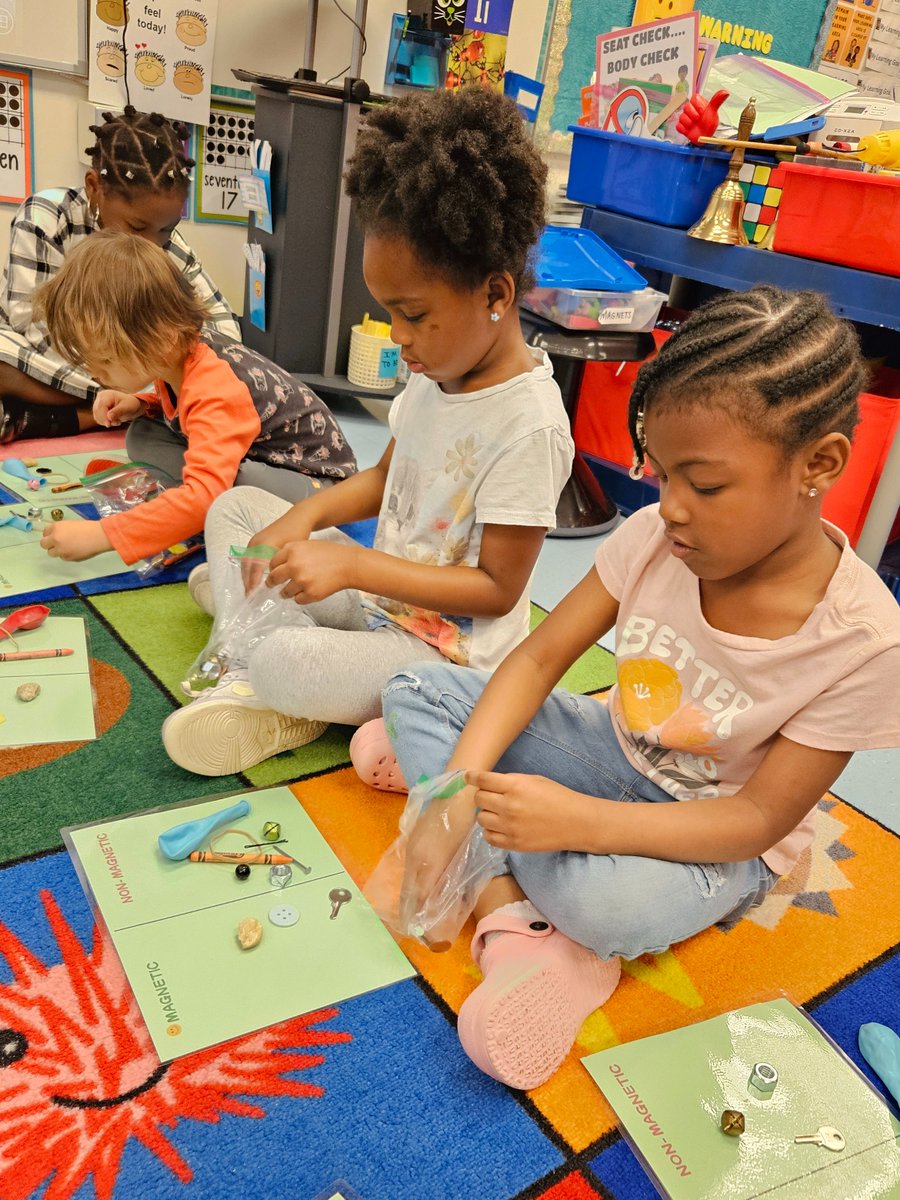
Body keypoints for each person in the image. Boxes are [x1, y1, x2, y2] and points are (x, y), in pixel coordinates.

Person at [379, 286, 900, 1091]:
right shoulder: (652, 537)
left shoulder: (863, 640)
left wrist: (568, 819)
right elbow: (537, 659)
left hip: (715, 837)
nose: (672, 509)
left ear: (819, 465)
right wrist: (456, 787)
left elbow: (756, 820)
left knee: (610, 910)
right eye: (661, 476)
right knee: (417, 688)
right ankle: (516, 916)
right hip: (616, 754)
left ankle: (520, 906)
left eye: (706, 485)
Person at [160, 86, 574, 778]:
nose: (398, 339)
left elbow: (498, 590)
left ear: (496, 296)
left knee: (284, 656)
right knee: (238, 511)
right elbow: (387, 480)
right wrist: (308, 516)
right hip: (378, 606)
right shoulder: (436, 369)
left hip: (443, 657)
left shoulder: (530, 425)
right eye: (388, 312)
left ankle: (263, 670)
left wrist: (349, 565)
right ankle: (256, 637)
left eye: (412, 314)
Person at [35, 230, 357, 566]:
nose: (93, 371)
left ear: (159, 337)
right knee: (145, 432)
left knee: (227, 488)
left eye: (103, 359)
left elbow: (208, 482)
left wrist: (103, 535)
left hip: (321, 492)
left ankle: (186, 512)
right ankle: (179, 509)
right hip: (263, 459)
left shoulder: (215, 382)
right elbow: (192, 411)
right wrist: (142, 405)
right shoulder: (176, 352)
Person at [0, 106, 240, 444]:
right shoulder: (46, 215)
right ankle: (105, 411)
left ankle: (91, 412)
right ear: (94, 186)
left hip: (126, 373)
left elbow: (224, 332)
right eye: (137, 226)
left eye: (166, 230)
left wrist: (143, 377)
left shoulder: (166, 247)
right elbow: (32, 324)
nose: (151, 244)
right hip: (59, 361)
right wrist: (115, 376)